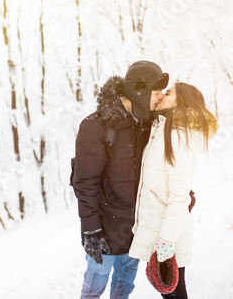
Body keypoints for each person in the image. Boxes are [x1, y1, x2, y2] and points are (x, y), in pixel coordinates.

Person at [71, 61, 169, 299]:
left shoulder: (149, 124)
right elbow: (85, 182)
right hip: (105, 232)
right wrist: (91, 230)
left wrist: (181, 193)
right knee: (95, 288)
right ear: (140, 91)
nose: (160, 98)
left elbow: (161, 168)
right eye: (156, 93)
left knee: (123, 288)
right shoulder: (96, 126)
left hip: (137, 229)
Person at [129, 82, 218, 298]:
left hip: (168, 234)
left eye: (168, 93)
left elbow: (179, 197)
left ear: (182, 103)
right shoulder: (162, 129)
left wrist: (166, 242)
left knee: (174, 292)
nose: (160, 96)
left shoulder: (178, 137)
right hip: (159, 228)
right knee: (171, 292)